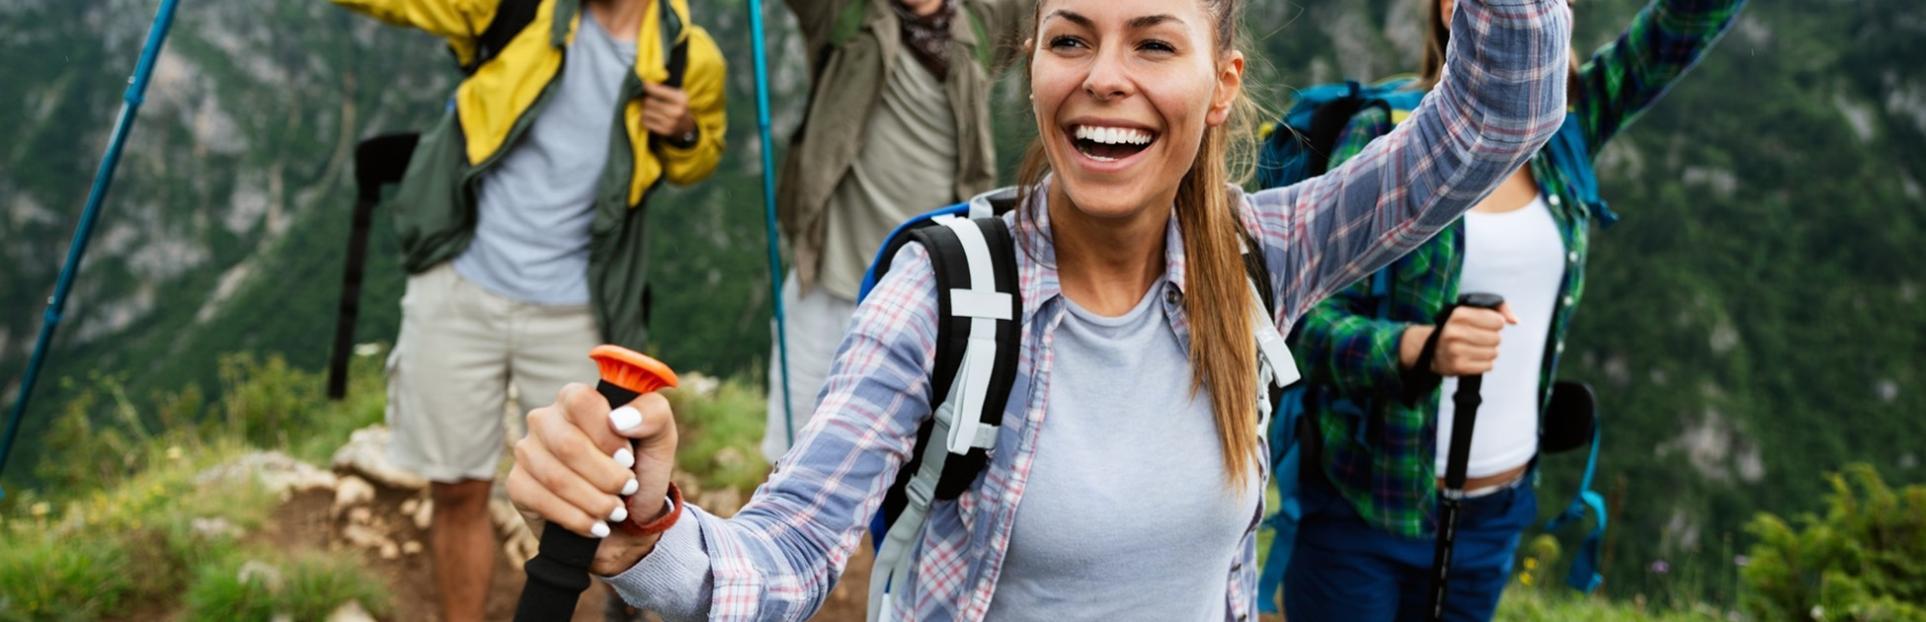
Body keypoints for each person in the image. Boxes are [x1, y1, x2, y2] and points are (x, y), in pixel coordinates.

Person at [506, 0, 1569, 617]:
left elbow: (1496, 117)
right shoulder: (945, 289)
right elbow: (785, 557)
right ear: (1034, 69)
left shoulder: (1265, 254)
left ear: (1222, 83)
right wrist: (646, 523)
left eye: (1154, 44)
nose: (1104, 78)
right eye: (1070, 40)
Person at [1281, 0, 1747, 619]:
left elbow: (1676, 32)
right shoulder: (1386, 133)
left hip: (1495, 517)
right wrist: (1416, 348)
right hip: (1367, 511)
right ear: (1452, 9)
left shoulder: (1565, 133)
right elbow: (1297, 319)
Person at [328, 0, 727, 619]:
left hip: (580, 314)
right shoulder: (515, 7)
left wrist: (683, 131)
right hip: (460, 287)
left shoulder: (687, 54)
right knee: (456, 487)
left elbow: (697, 160)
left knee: (589, 510)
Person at [763, 0, 1027, 462]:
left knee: (912, 458)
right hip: (830, 276)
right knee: (792, 451)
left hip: (933, 290)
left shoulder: (982, 24)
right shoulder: (844, 17)